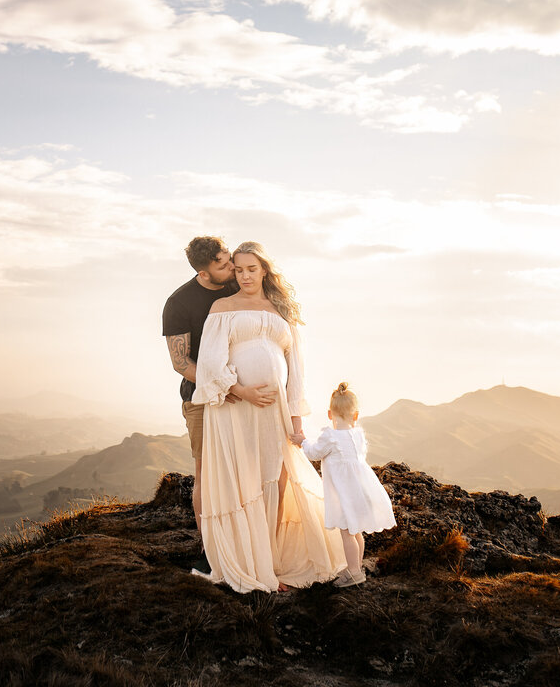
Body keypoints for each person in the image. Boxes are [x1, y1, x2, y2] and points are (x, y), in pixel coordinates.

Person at [192, 241, 345, 592]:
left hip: (275, 412)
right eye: (239, 270)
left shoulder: (280, 310)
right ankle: (250, 564)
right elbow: (210, 365)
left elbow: (296, 369)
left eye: (252, 269)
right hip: (236, 408)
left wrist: (295, 418)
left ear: (264, 270)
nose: (245, 276)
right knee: (244, 481)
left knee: (276, 480)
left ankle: (270, 563)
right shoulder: (222, 307)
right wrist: (242, 390)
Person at [162, 236, 238, 526]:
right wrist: (223, 386)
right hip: (200, 398)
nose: (232, 267)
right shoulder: (179, 303)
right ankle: (208, 543)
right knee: (206, 472)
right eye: (223, 265)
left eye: (230, 259)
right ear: (204, 273)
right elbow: (180, 362)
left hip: (243, 394)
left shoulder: (237, 284)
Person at [293, 382, 396, 587]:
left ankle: (355, 572)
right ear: (355, 415)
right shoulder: (358, 435)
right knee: (356, 531)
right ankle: (355, 567)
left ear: (329, 414)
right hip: (360, 490)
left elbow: (314, 452)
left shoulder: (330, 436)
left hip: (344, 494)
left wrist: (302, 441)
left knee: (347, 532)